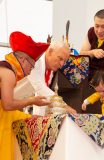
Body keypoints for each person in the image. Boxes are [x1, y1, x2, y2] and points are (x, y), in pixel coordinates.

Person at [0, 31, 51, 160]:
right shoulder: (8, 73)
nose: (30, 71)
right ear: (23, 60)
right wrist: (32, 101)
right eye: (31, 66)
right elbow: (7, 105)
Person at [15, 40, 77, 116]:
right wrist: (64, 107)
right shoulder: (36, 61)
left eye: (64, 61)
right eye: (60, 59)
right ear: (50, 52)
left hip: (17, 107)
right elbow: (41, 89)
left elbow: (42, 98)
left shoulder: (49, 70)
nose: (62, 64)